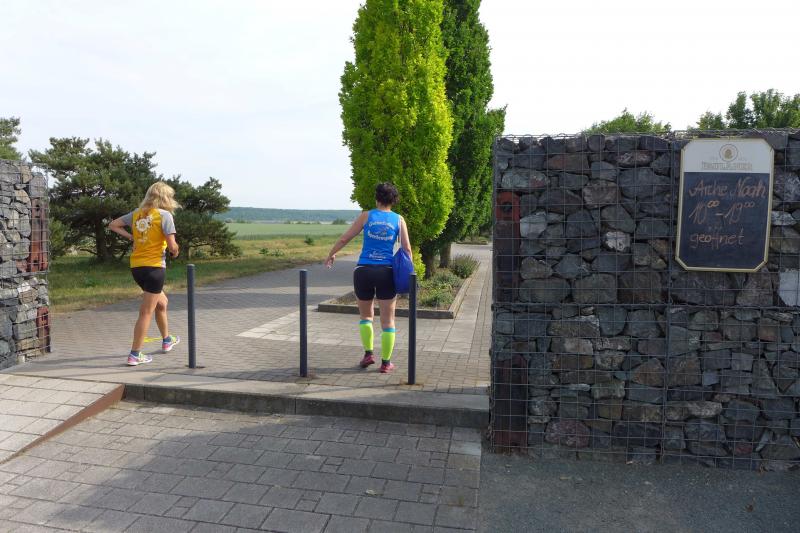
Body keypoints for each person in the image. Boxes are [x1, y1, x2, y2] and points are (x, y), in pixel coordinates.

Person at [325, 182, 412, 374]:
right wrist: (408, 273)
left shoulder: (366, 216)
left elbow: (345, 238)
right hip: (386, 272)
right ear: (394, 200)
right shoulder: (399, 220)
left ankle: (368, 354)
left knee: (366, 316)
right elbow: (406, 249)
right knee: (388, 321)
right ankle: (386, 363)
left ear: (377, 198)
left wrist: (332, 254)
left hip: (363, 271)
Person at [109, 182, 181, 366]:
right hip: (155, 268)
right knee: (146, 312)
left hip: (137, 267)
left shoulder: (136, 214)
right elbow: (172, 246)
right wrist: (175, 251)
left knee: (162, 303)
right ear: (165, 198)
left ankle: (167, 340)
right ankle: (135, 354)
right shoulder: (164, 215)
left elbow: (113, 225)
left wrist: (132, 237)